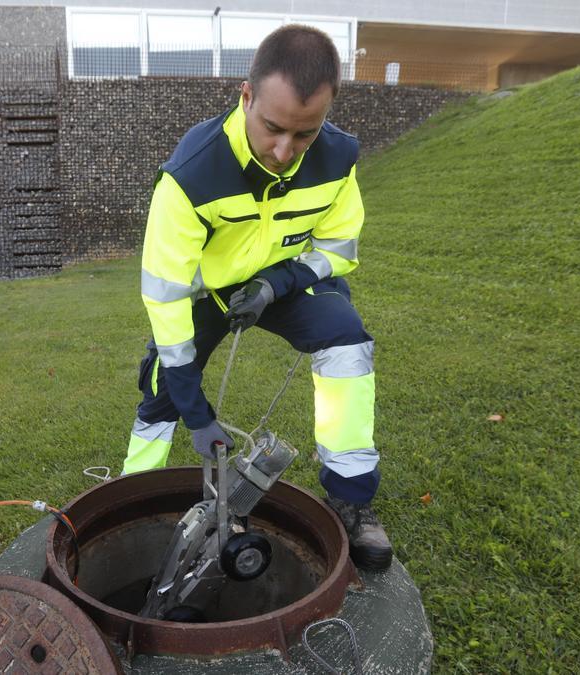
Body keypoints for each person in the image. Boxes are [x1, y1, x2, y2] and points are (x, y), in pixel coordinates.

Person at [121, 25, 391, 571]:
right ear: (245, 96)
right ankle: (130, 499)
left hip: (283, 283)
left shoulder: (338, 158)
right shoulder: (191, 174)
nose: (284, 151)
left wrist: (276, 284)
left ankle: (351, 499)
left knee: (347, 339)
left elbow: (339, 249)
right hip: (207, 293)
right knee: (163, 384)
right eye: (272, 128)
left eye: (305, 134)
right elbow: (166, 295)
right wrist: (197, 417)